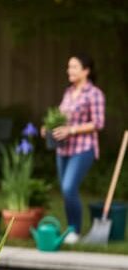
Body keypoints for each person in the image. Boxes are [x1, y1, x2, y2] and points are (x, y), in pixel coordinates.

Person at [45, 54, 105, 243]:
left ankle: (74, 230)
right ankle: (71, 229)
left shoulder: (94, 94)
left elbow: (98, 123)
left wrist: (71, 130)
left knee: (69, 187)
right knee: (65, 190)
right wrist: (49, 128)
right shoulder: (69, 92)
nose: (69, 71)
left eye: (74, 67)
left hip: (83, 148)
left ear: (86, 70)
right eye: (69, 67)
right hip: (63, 148)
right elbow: (61, 118)